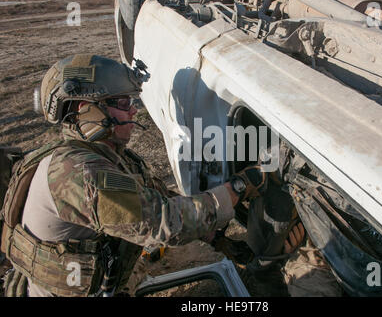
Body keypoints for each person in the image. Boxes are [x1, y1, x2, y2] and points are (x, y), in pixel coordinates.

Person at [2, 54, 294, 297]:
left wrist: (221, 242)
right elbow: (168, 222)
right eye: (123, 104)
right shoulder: (78, 173)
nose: (134, 113)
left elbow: (158, 199)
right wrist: (244, 183)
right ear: (85, 109)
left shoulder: (106, 157)